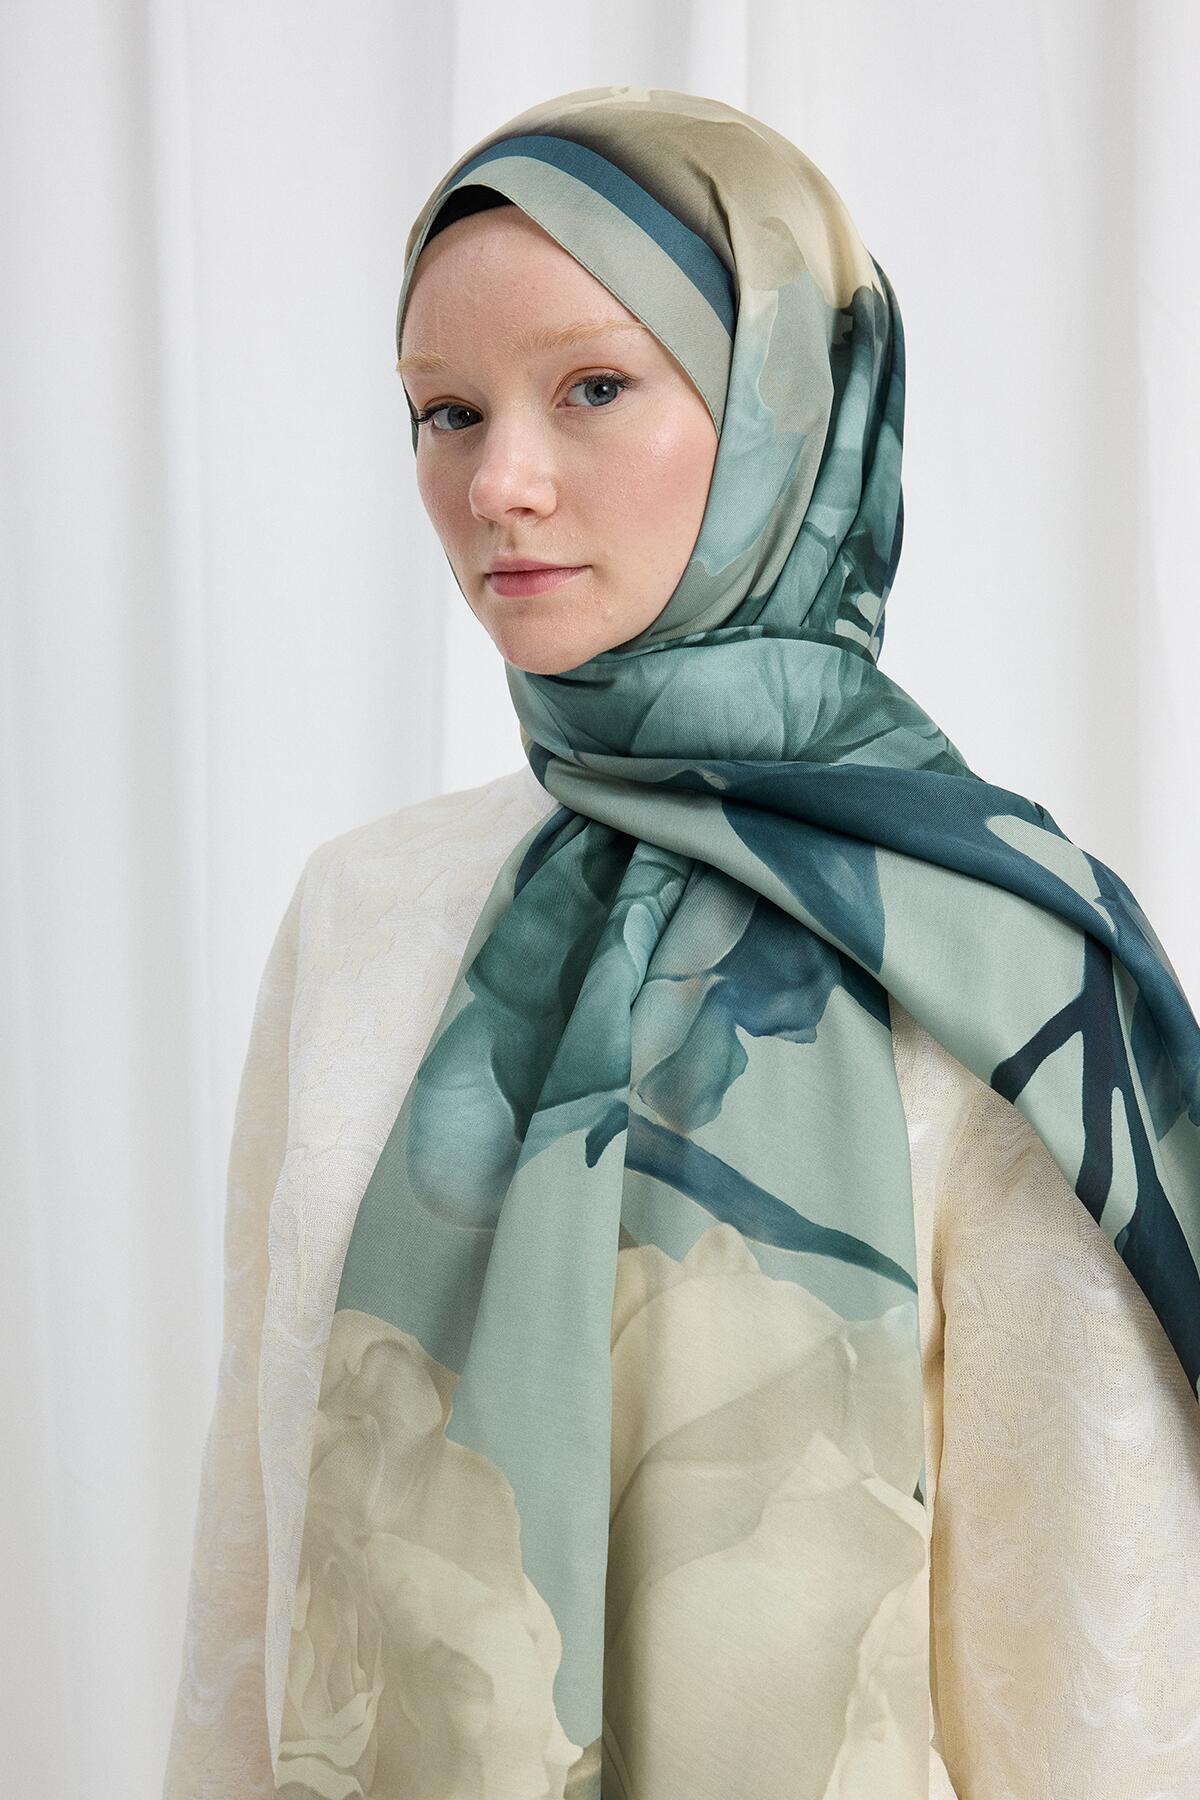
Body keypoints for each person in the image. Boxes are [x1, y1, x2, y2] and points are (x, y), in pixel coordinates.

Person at [163, 87, 1200, 1799]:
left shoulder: (1000, 964)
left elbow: (1106, 1702)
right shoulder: (362, 912)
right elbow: (250, 1568)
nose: (498, 483)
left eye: (592, 387)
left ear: (794, 405)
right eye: (445, 411)